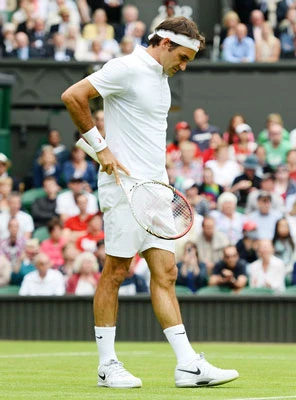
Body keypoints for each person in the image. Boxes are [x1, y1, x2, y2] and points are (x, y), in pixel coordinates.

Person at [61, 16, 238, 389]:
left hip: (156, 189)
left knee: (166, 273)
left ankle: (188, 364)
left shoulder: (161, 78)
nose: (184, 66)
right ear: (165, 44)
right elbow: (73, 96)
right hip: (123, 188)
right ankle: (107, 365)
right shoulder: (126, 67)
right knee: (116, 271)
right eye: (183, 57)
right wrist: (100, 147)